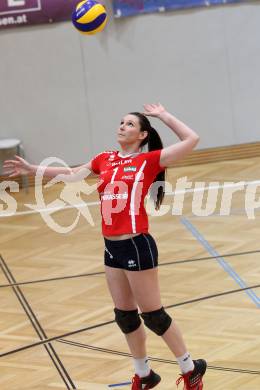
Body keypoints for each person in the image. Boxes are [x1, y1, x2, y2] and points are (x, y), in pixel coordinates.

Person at [3, 103, 207, 389]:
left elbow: (192, 140)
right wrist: (31, 168)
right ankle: (144, 374)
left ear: (143, 135)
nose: (122, 127)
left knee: (153, 316)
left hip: (137, 244)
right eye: (121, 123)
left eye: (129, 125)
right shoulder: (104, 159)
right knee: (124, 316)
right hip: (112, 248)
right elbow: (71, 175)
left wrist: (163, 116)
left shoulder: (149, 160)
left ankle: (190, 368)